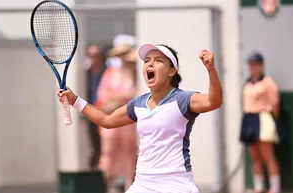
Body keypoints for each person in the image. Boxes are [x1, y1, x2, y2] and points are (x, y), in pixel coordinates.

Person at [58, 44, 223, 192]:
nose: (150, 64)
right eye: (147, 61)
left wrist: (211, 70)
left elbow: (213, 101)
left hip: (176, 183)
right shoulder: (139, 103)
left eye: (158, 61)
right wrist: (75, 101)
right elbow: (107, 121)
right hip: (143, 183)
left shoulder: (183, 99)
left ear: (172, 71)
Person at [95, 44, 138, 191]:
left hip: (129, 123)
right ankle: (106, 187)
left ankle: (128, 187)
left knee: (130, 156)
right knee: (108, 155)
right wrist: (119, 98)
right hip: (112, 122)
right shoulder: (110, 74)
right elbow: (103, 99)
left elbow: (138, 94)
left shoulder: (135, 74)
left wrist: (120, 97)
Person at [240, 52, 281, 193]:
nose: (253, 67)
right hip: (249, 119)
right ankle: (259, 187)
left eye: (256, 64)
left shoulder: (267, 82)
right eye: (251, 64)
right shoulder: (248, 82)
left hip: (263, 119)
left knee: (267, 155)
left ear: (261, 65)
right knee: (254, 156)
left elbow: (275, 104)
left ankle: (275, 188)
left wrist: (271, 119)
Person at [86, 45, 106, 169]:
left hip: (105, 113)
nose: (94, 59)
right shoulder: (85, 74)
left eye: (96, 56)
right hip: (90, 114)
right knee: (94, 145)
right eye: (91, 56)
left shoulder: (107, 72)